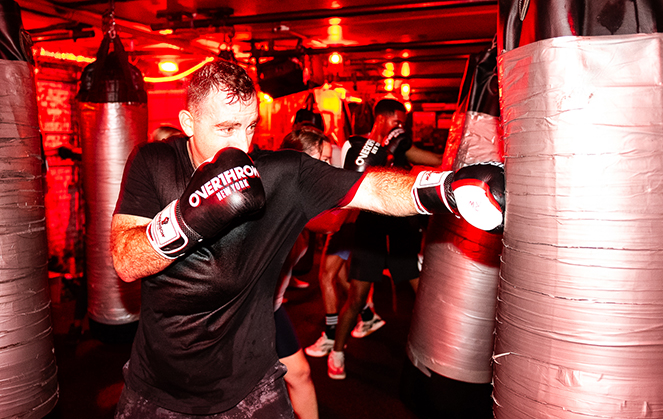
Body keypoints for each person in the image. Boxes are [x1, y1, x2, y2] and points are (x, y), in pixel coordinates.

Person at [110, 59, 504, 417]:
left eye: (249, 127)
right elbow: (126, 262)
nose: (241, 146)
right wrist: (187, 220)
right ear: (188, 121)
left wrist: (446, 189)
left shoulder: (283, 173)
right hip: (159, 386)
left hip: (250, 380)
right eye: (226, 129)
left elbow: (372, 188)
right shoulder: (153, 162)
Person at [327, 98, 443, 379]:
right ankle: (337, 352)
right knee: (357, 295)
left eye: (402, 123)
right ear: (381, 118)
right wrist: (378, 156)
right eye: (396, 122)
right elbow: (344, 184)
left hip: (401, 224)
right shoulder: (354, 145)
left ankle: (438, 352)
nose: (400, 128)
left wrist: (401, 150)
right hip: (370, 225)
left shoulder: (402, 145)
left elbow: (439, 162)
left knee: (422, 292)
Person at [272, 127, 334, 419]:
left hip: (270, 307)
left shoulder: (303, 201)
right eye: (324, 160)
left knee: (298, 375)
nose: (330, 168)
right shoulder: (281, 200)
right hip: (244, 311)